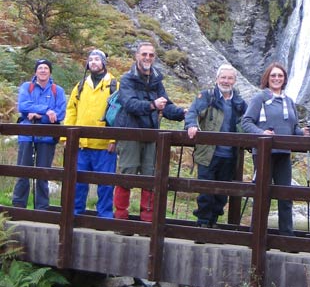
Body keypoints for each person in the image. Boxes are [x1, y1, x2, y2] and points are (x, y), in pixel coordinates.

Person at [113, 42, 186, 222]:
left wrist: (182, 114)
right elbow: (129, 104)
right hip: (130, 132)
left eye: (151, 55)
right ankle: (121, 219)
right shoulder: (127, 79)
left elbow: (165, 104)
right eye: (144, 54)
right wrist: (153, 105)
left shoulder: (156, 80)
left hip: (151, 133)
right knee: (126, 175)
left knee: (150, 175)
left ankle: (147, 220)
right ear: (137, 56)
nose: (147, 58)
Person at [241, 62, 308, 236]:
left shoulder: (289, 101)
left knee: (285, 194)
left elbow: (293, 129)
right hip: (264, 153)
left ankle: (287, 235)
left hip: (284, 154)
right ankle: (256, 234)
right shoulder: (259, 98)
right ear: (267, 78)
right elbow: (246, 122)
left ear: (285, 79)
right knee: (262, 193)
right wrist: (261, 133)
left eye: (280, 76)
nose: (277, 78)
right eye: (273, 76)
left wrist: (304, 133)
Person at [185, 64, 247, 227]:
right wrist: (191, 125)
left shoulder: (239, 102)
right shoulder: (207, 96)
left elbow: (248, 122)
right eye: (223, 77)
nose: (226, 81)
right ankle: (203, 223)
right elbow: (192, 112)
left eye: (230, 78)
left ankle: (213, 223)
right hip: (208, 153)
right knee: (205, 190)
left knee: (222, 193)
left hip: (230, 155)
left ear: (234, 80)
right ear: (217, 79)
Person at [63, 49, 118, 218]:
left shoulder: (114, 85)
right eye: (91, 60)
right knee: (77, 182)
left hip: (104, 145)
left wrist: (114, 139)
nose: (93, 62)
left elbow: (119, 113)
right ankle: (75, 214)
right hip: (81, 144)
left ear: (103, 63)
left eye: (97, 59)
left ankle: (105, 217)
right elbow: (71, 111)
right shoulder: (80, 86)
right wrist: (67, 137)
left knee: (106, 184)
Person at [12, 59, 66, 210]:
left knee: (43, 172)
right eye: (40, 68)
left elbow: (60, 113)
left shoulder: (58, 91)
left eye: (46, 68)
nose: (43, 70)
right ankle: (18, 205)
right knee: (23, 170)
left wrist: (38, 115)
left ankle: (42, 207)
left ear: (50, 72)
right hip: (27, 135)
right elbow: (23, 106)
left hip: (47, 137)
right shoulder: (26, 87)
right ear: (35, 72)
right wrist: (47, 111)